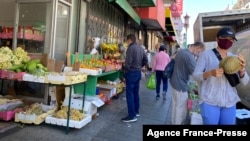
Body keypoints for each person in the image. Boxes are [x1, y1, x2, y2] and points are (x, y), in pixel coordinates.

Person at [192, 27, 249, 125]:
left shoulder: (235, 58)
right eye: (224, 38)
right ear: (217, 39)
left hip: (230, 102)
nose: (228, 41)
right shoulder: (206, 55)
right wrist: (209, 73)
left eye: (231, 39)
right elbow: (195, 76)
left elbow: (245, 82)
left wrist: (242, 70)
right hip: (209, 101)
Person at [170, 41, 205, 125]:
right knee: (180, 108)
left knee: (175, 105)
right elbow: (196, 73)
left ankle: (173, 122)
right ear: (198, 48)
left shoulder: (182, 51)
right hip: (180, 85)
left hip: (174, 82)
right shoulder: (189, 56)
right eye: (200, 51)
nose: (200, 54)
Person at [122, 34, 148, 123]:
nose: (127, 42)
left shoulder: (130, 48)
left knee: (129, 94)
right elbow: (146, 60)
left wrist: (126, 71)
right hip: (138, 72)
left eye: (127, 40)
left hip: (131, 72)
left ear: (129, 40)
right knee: (135, 93)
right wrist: (140, 66)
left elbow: (128, 62)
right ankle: (136, 111)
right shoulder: (140, 48)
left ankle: (131, 115)